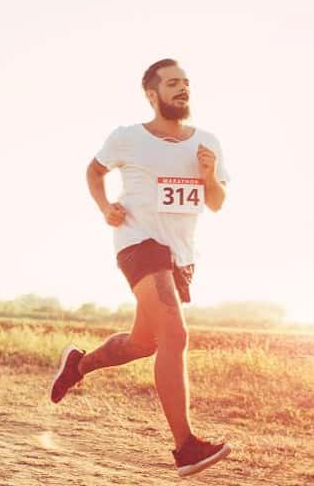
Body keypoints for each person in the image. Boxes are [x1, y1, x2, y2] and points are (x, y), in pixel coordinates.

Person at [49, 59, 231, 477]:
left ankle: (78, 364)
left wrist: (207, 174)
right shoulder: (128, 138)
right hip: (137, 243)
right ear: (152, 95)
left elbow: (217, 202)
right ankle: (186, 447)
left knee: (144, 342)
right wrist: (104, 206)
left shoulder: (207, 142)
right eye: (172, 84)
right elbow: (94, 172)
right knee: (176, 332)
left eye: (185, 83)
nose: (182, 89)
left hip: (181, 255)